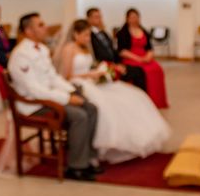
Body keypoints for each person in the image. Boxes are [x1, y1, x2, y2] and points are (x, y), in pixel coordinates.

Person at [56, 19, 171, 163]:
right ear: (75, 34)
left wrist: (101, 71)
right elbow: (67, 76)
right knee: (109, 104)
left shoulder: (85, 48)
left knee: (134, 96)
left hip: (92, 81)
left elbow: (90, 66)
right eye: (85, 35)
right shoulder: (69, 48)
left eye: (88, 35)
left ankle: (134, 139)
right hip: (77, 84)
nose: (87, 39)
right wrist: (90, 75)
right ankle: (107, 144)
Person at [7, 12, 100, 181]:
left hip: (48, 98)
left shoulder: (42, 49)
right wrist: (66, 99)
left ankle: (88, 158)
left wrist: (71, 90)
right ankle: (76, 167)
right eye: (40, 25)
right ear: (28, 31)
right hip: (33, 105)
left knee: (91, 107)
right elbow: (34, 90)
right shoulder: (21, 54)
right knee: (79, 115)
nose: (46, 27)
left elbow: (53, 77)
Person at [116, 8, 169, 108]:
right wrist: (138, 59)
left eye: (136, 17)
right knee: (144, 71)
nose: (134, 19)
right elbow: (122, 51)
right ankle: (143, 101)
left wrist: (148, 56)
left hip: (145, 58)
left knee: (157, 69)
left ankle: (156, 101)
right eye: (132, 17)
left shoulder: (144, 31)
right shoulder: (122, 33)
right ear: (127, 19)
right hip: (131, 58)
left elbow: (149, 48)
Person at [86, 7, 146, 90]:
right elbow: (97, 55)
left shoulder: (103, 32)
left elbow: (113, 50)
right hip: (104, 66)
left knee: (139, 70)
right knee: (138, 72)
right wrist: (114, 66)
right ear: (89, 19)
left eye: (100, 16)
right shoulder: (89, 35)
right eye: (96, 17)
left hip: (114, 63)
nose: (99, 19)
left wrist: (120, 63)